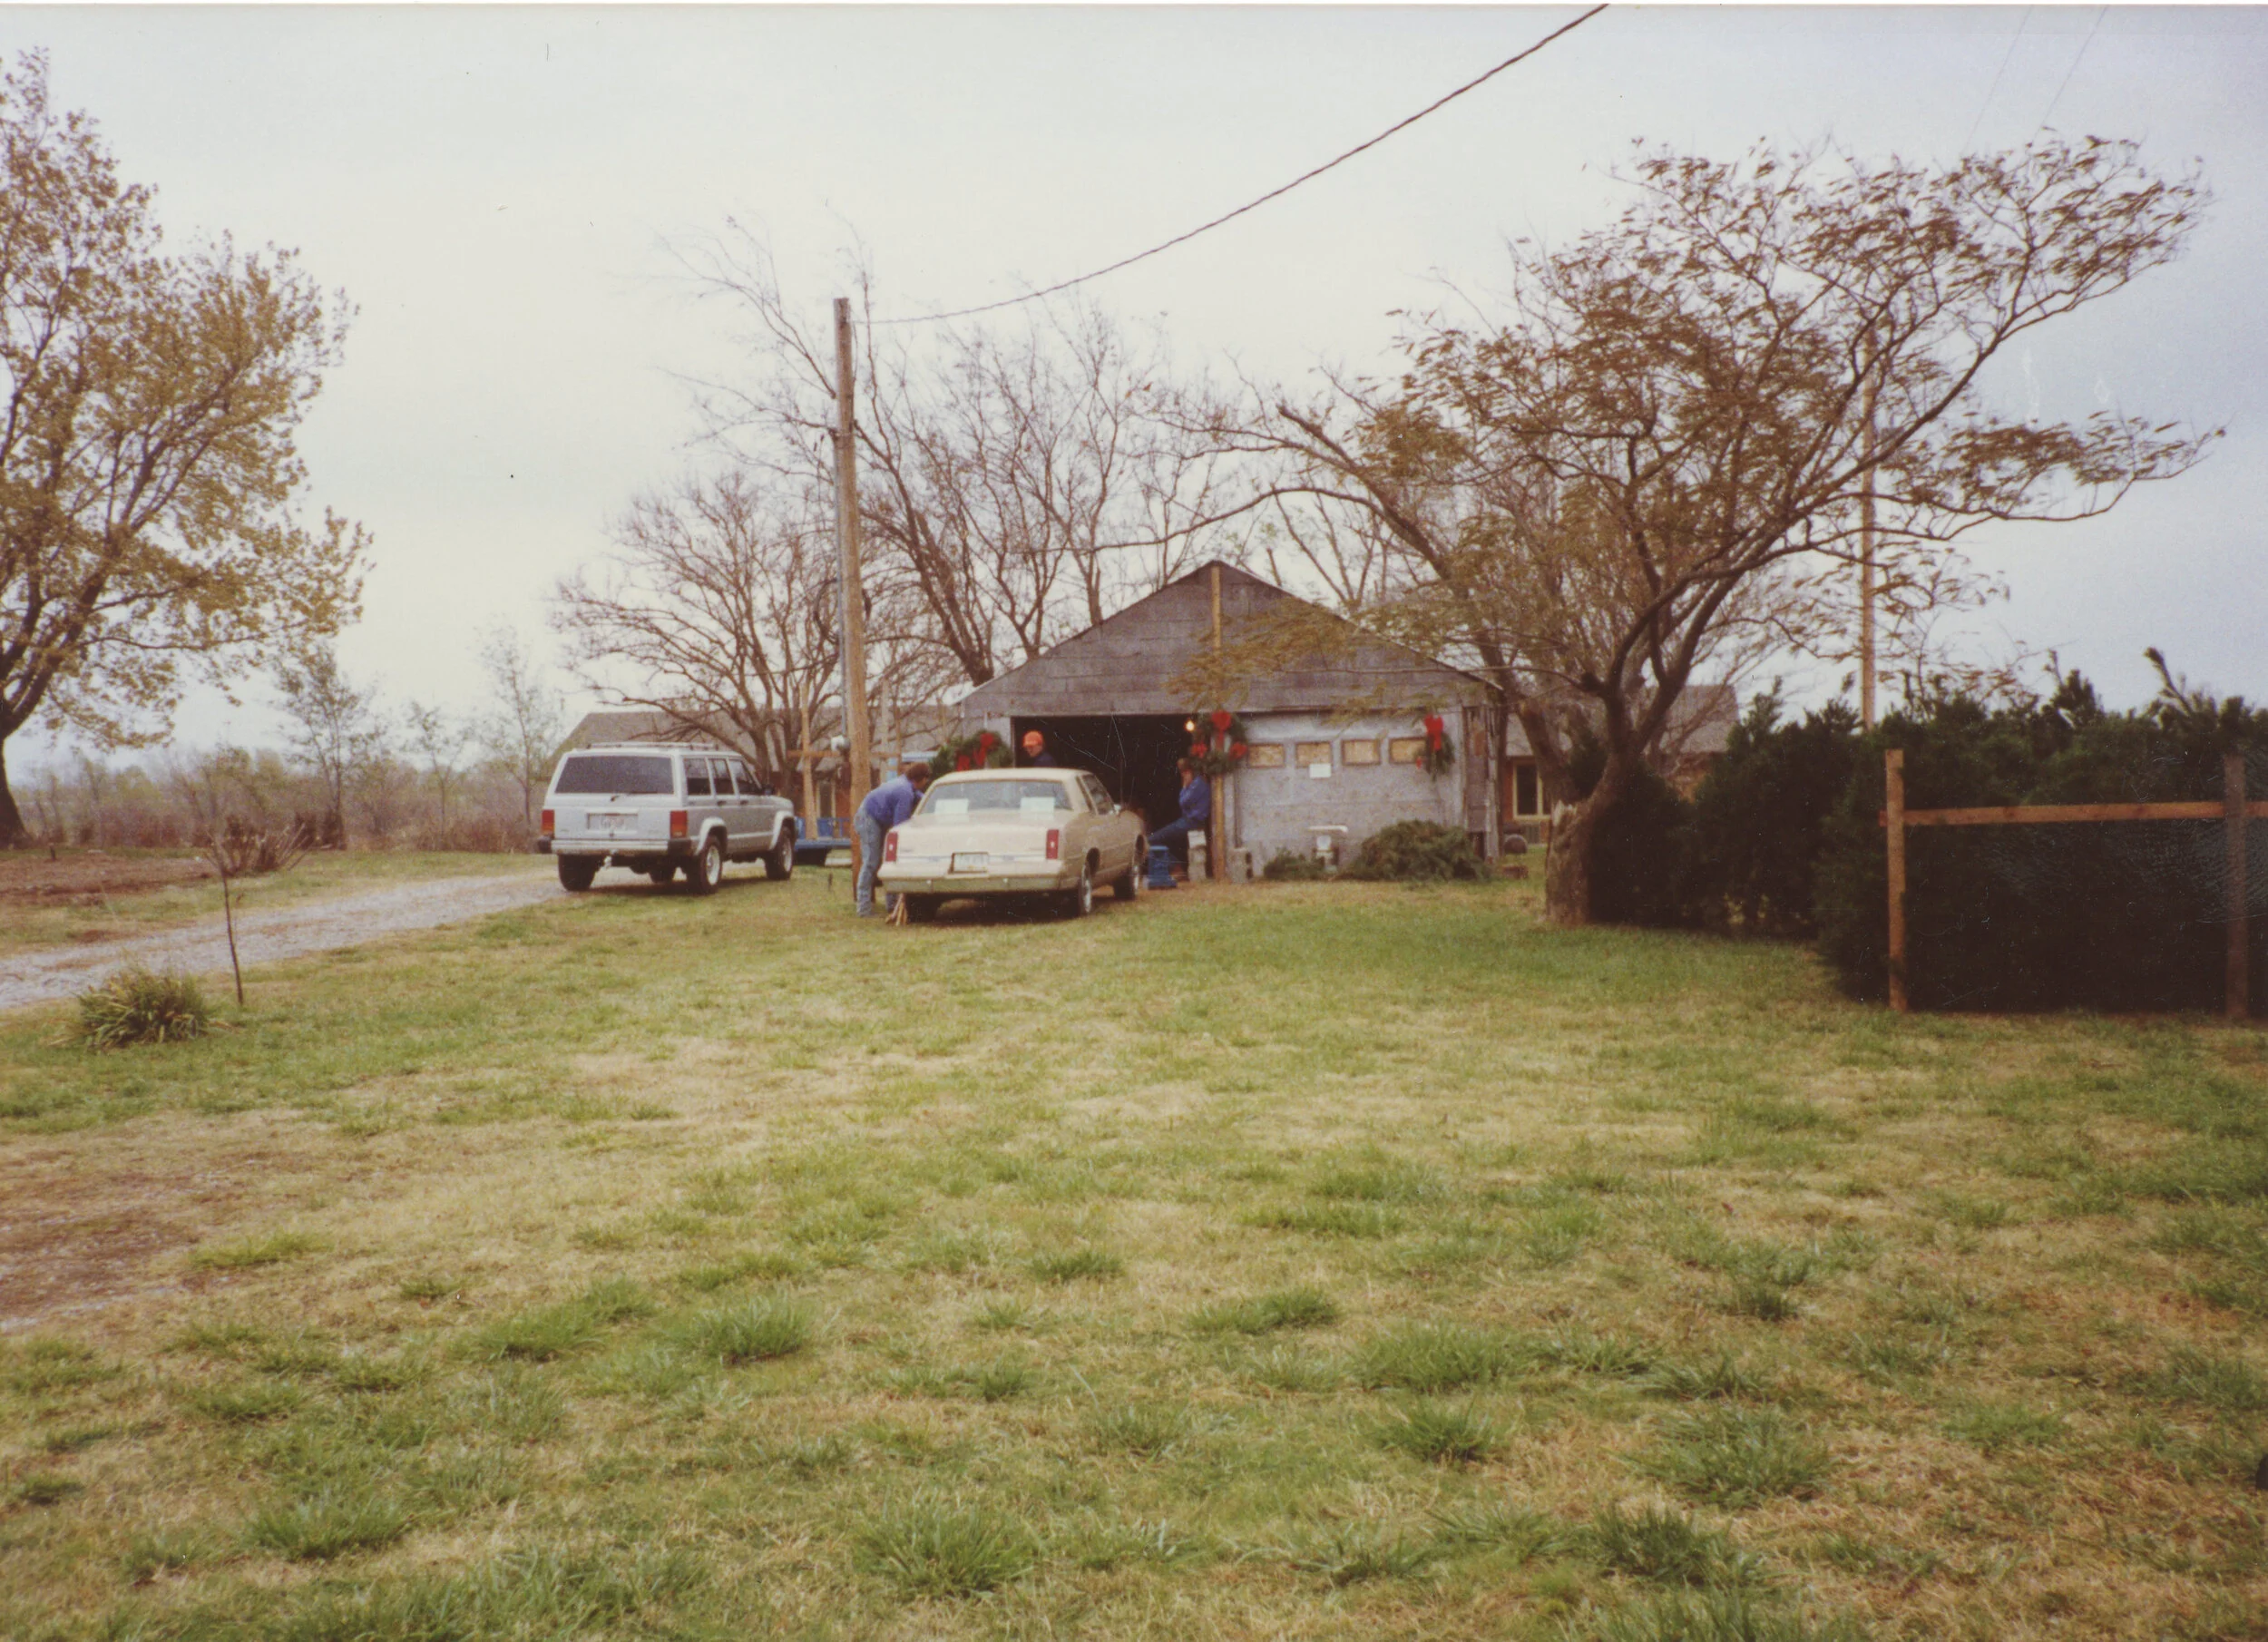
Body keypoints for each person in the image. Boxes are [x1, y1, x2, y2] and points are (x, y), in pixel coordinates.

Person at [854, 761, 932, 917]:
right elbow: (899, 828)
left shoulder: (906, 784)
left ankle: (891, 904)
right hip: (869, 817)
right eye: (926, 780)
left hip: (878, 816)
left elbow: (920, 797)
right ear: (921, 779)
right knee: (871, 862)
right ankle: (863, 908)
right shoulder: (905, 793)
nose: (926, 783)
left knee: (886, 861)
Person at [1148, 757, 1211, 866]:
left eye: (1184, 772)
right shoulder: (1197, 783)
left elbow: (1182, 801)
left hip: (1192, 822)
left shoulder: (1197, 784)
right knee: (1166, 837)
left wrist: (1184, 787)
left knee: (1153, 839)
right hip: (1189, 821)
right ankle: (1175, 866)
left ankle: (1174, 866)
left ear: (1189, 771)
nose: (1183, 775)